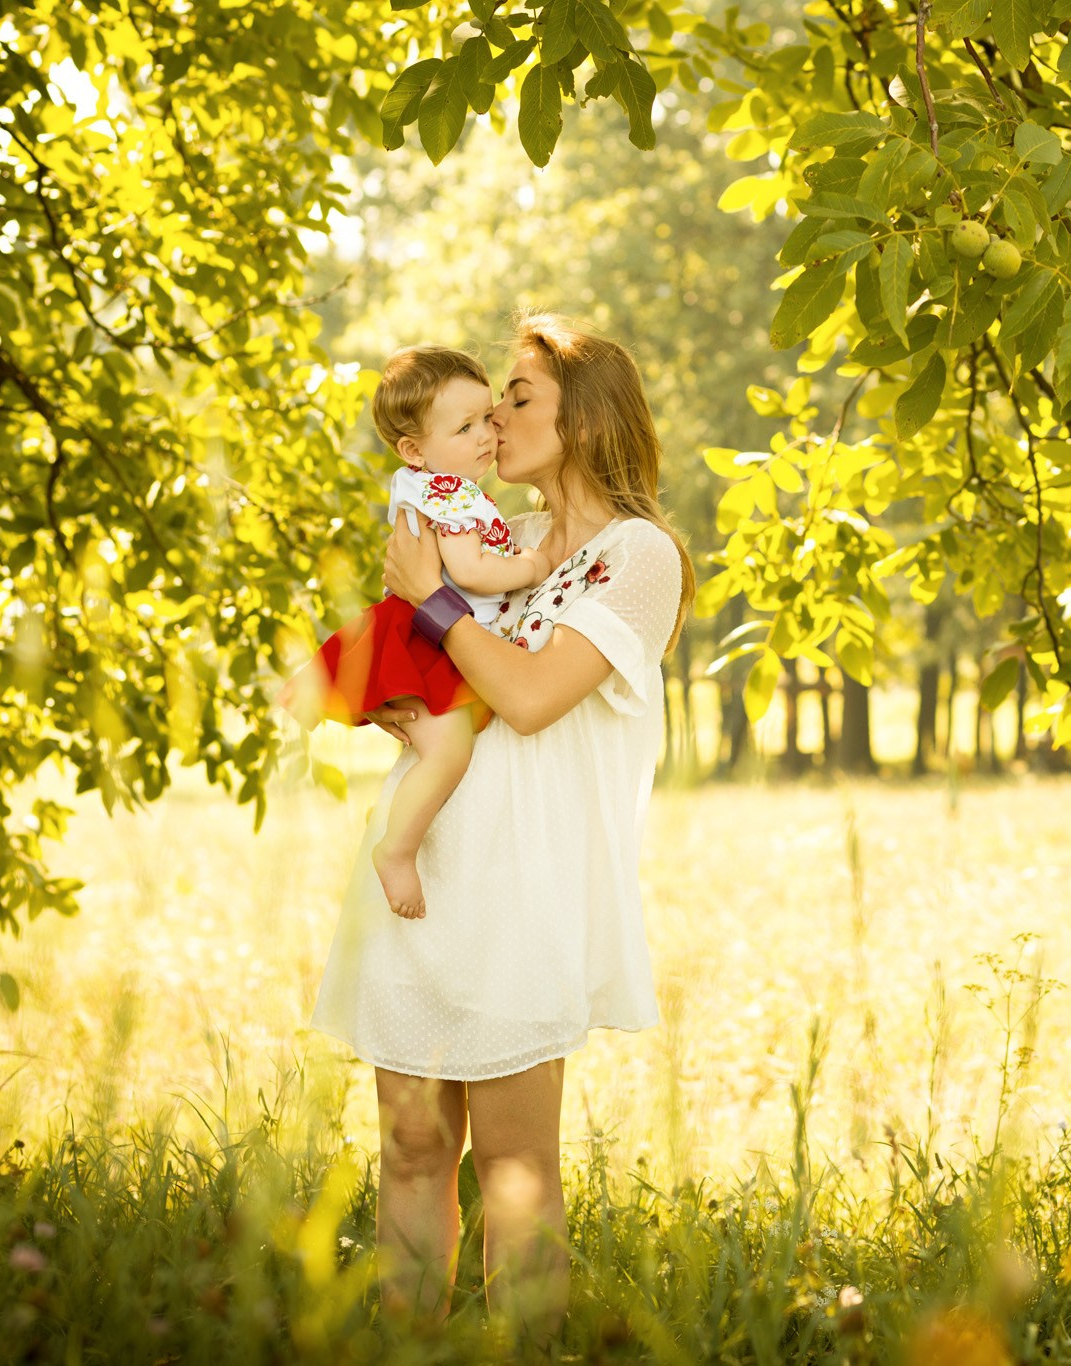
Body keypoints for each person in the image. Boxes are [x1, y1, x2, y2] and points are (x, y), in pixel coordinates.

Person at [307, 313, 695, 1339]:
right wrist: (397, 692)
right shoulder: (496, 538)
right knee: (410, 1154)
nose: (494, 416)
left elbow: (525, 697)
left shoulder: (637, 555)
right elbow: (435, 680)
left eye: (518, 394)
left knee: (515, 1169)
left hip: (524, 894)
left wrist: (432, 603)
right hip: (424, 878)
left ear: (586, 413)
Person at [284, 345, 560, 919]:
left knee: (440, 746)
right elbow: (470, 572)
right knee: (447, 751)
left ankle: (396, 829)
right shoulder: (447, 494)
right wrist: (532, 566)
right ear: (415, 449)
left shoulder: (441, 487)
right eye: (465, 427)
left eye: (486, 417)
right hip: (426, 636)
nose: (487, 434)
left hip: (426, 628)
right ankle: (397, 849)